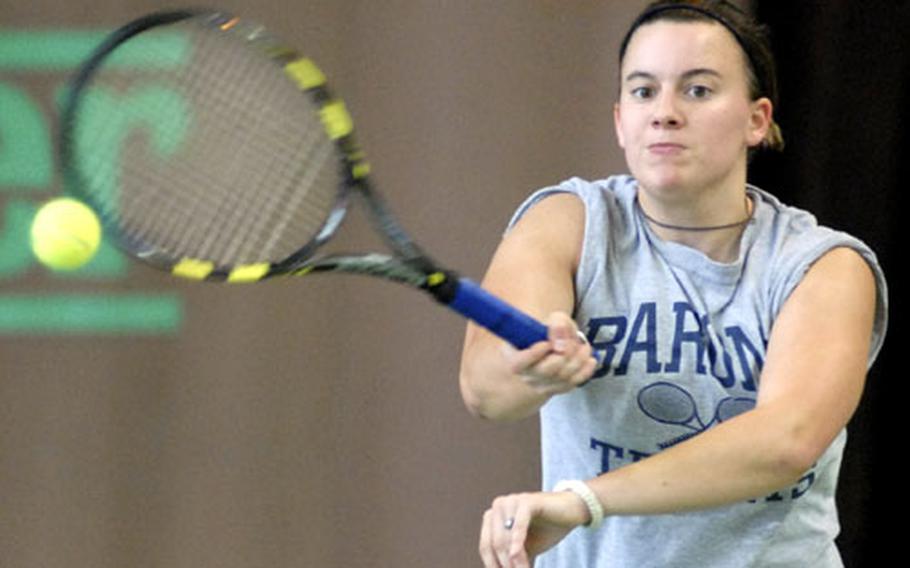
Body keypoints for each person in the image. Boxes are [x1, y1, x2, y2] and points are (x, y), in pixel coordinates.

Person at [459, 1, 888, 566]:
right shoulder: (568, 223)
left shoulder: (822, 264)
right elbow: (485, 392)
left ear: (757, 120)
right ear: (619, 121)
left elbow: (786, 442)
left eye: (698, 90)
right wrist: (530, 368)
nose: (664, 112)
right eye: (643, 91)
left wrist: (584, 501)